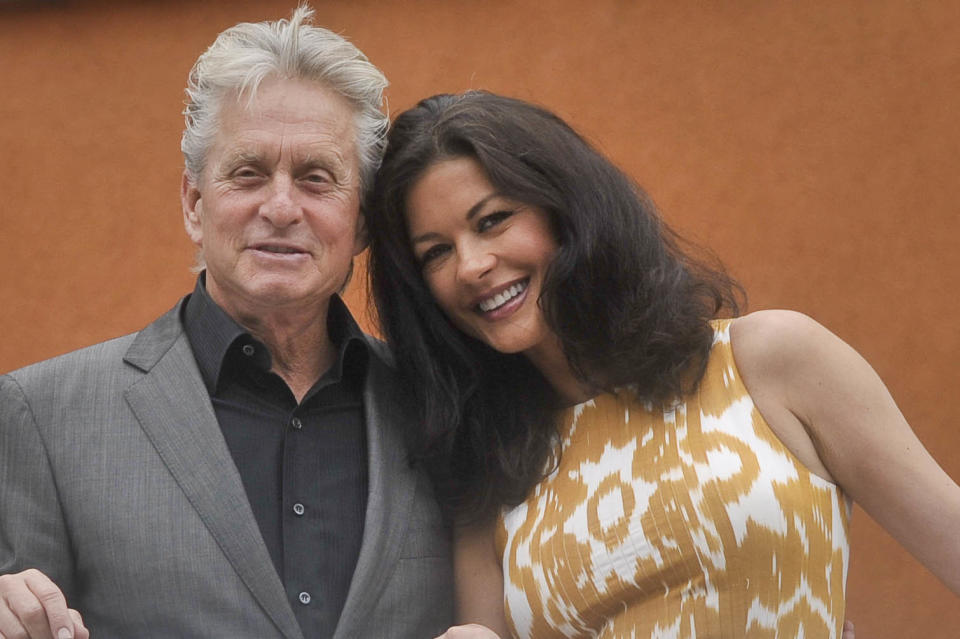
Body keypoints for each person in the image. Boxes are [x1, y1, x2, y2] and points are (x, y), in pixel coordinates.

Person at [365, 91, 960, 638]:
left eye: (492, 220)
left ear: (566, 210)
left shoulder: (770, 362)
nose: (470, 265)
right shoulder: (492, 473)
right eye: (435, 253)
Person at [0, 8, 452, 639]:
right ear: (194, 203)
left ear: (364, 223)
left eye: (317, 179)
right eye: (248, 173)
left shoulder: (440, 404)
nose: (281, 206)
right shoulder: (43, 416)